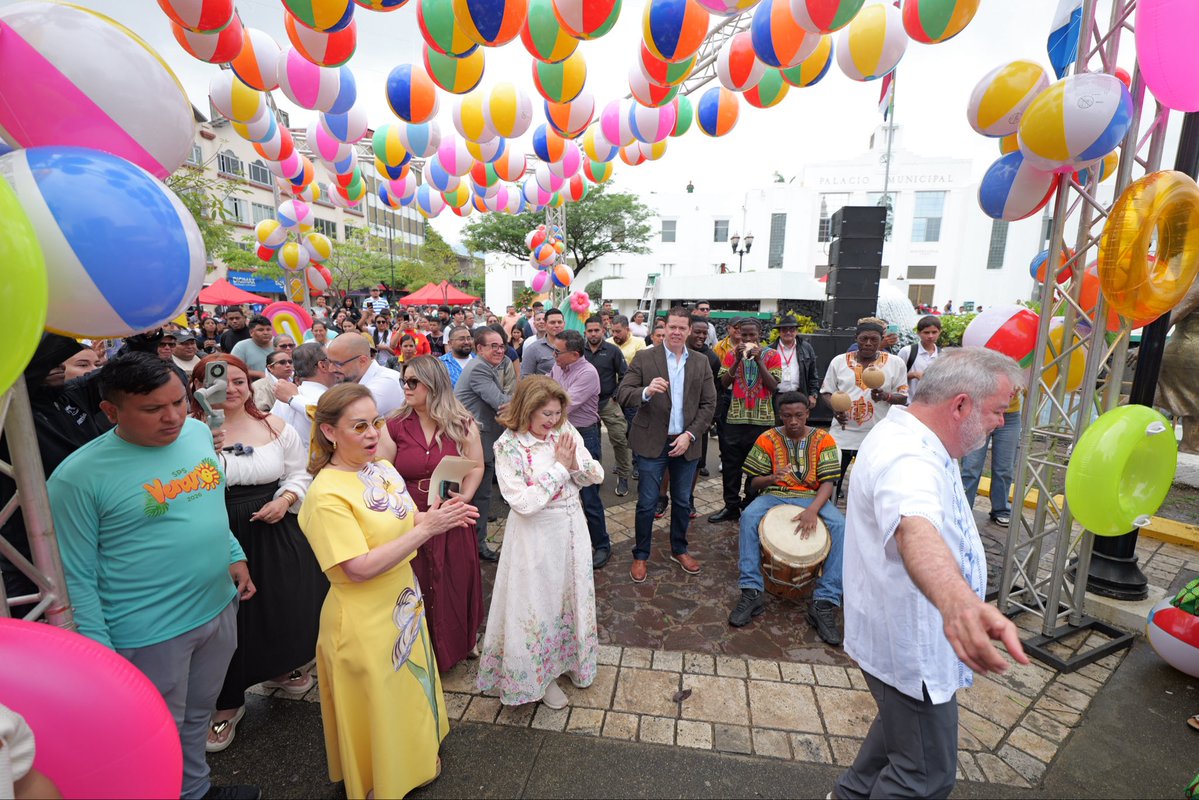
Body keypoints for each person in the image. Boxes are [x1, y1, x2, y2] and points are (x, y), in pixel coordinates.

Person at [49, 353, 258, 800]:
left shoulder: (199, 432)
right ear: (111, 411)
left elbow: (208, 500)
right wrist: (101, 657)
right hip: (146, 633)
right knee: (150, 731)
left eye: (179, 401)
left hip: (217, 606)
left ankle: (195, 790)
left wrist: (233, 552)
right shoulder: (77, 478)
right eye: (152, 409)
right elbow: (76, 575)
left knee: (198, 715)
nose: (173, 417)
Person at [835, 348, 1029, 800]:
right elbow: (913, 527)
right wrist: (959, 603)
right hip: (914, 647)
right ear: (960, 405)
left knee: (897, 738)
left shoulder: (922, 437)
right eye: (998, 411)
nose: (1002, 423)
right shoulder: (908, 456)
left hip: (904, 639)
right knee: (923, 777)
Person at [299, 383, 478, 799]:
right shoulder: (326, 495)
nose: (372, 434)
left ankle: (416, 759)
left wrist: (438, 516)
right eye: (358, 426)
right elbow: (357, 569)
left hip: (404, 603)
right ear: (328, 432)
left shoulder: (380, 467)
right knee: (380, 703)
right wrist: (428, 531)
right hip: (363, 619)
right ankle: (383, 778)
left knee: (407, 691)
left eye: (376, 422)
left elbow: (408, 517)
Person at [188, 355, 324, 753]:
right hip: (214, 530)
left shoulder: (274, 426)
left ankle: (279, 667)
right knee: (224, 618)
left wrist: (285, 500)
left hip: (273, 523)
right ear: (198, 386)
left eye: (238, 381)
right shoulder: (187, 433)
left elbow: (299, 472)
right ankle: (226, 702)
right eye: (217, 381)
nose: (230, 389)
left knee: (280, 602)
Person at [476, 377, 603, 709]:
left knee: (569, 597)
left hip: (572, 529)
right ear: (527, 410)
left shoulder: (565, 431)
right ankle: (539, 677)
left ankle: (572, 662)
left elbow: (595, 475)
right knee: (538, 604)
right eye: (546, 413)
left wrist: (576, 464)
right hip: (534, 536)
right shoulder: (508, 446)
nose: (552, 421)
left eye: (557, 413)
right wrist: (561, 469)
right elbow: (525, 503)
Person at [377, 356, 485, 672]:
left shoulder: (461, 421)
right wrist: (403, 511)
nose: (406, 388)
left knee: (454, 579)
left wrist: (464, 496)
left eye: (413, 382)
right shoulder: (394, 424)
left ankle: (459, 641)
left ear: (433, 383)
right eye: (403, 382)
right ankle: (417, 647)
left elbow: (477, 465)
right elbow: (382, 473)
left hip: (451, 513)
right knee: (416, 580)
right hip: (408, 516)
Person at [727, 394, 846, 645]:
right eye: (788, 416)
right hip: (775, 494)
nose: (793, 421)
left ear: (808, 414)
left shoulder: (823, 438)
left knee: (840, 525)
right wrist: (770, 478)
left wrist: (813, 509)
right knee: (748, 516)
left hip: (812, 496)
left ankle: (824, 600)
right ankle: (752, 590)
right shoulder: (768, 438)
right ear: (780, 416)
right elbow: (752, 483)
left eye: (799, 415)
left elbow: (828, 483)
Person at [616, 308, 716, 582]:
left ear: (688, 331)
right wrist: (646, 391)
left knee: (683, 502)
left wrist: (690, 435)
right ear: (663, 327)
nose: (676, 332)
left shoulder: (700, 362)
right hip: (651, 442)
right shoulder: (646, 357)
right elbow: (623, 393)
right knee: (647, 503)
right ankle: (641, 555)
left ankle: (679, 549)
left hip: (686, 442)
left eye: (682, 328)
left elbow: (709, 404)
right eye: (672, 326)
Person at [820, 318, 909, 503]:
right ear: (856, 339)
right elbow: (826, 392)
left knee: (870, 487)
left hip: (876, 436)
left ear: (881, 339)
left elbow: (904, 396)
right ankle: (830, 523)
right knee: (831, 484)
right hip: (842, 435)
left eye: (874, 339)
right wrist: (836, 408)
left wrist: (886, 396)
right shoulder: (839, 362)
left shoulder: (895, 363)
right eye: (863, 339)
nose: (868, 343)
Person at [710, 318, 782, 523]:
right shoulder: (733, 354)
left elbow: (774, 386)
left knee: (757, 466)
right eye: (744, 335)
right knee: (731, 465)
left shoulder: (771, 355)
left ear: (760, 334)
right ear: (738, 334)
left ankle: (750, 504)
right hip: (734, 418)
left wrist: (759, 360)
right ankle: (731, 506)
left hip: (762, 421)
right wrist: (738, 360)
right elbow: (723, 384)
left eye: (752, 335)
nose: (748, 338)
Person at [551, 329, 611, 570]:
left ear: (574, 354)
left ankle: (602, 544)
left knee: (589, 494)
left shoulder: (588, 373)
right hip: (559, 434)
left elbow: (563, 406)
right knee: (563, 492)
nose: (553, 354)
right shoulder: (557, 366)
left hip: (584, 436)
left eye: (558, 351)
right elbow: (547, 391)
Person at [454, 327, 509, 563]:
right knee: (480, 496)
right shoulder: (479, 369)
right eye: (493, 346)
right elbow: (500, 403)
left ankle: (472, 543)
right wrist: (530, 399)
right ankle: (476, 546)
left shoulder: (486, 367)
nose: (499, 350)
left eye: (501, 346)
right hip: (477, 442)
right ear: (479, 348)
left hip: (479, 438)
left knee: (477, 495)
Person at [959, 389, 1023, 527]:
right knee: (971, 467)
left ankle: (1001, 509)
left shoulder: (1023, 366)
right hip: (981, 411)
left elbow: (1033, 385)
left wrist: (1023, 386)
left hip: (1010, 416)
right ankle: (962, 508)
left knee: (1005, 467)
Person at [583, 316, 631, 498]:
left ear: (603, 330)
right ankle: (596, 475)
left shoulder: (612, 351)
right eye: (590, 331)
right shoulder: (580, 351)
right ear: (585, 332)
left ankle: (623, 475)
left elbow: (625, 375)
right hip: (586, 406)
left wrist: (617, 394)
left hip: (608, 403)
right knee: (591, 443)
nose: (594, 334)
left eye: (597, 330)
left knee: (619, 438)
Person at [326, 332, 405, 415]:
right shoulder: (352, 378)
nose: (330, 369)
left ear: (362, 361)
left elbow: (342, 417)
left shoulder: (385, 383)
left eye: (338, 364)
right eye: (329, 362)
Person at [772, 314, 820, 407]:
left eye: (792, 329)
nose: (788, 332)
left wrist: (813, 394)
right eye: (784, 329)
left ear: (796, 331)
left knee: (797, 421)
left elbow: (813, 374)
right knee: (777, 421)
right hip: (777, 396)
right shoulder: (771, 349)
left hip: (799, 395)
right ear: (779, 332)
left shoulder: (806, 348)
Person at [897, 315, 943, 400]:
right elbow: (895, 377)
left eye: (934, 332)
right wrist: (914, 374)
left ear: (939, 332)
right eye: (926, 332)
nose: (930, 336)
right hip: (909, 403)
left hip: (933, 404)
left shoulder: (942, 355)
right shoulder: (907, 352)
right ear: (918, 333)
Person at [521, 307, 564, 376]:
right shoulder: (533, 349)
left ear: (564, 324)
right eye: (552, 322)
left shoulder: (572, 346)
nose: (557, 325)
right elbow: (525, 377)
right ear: (546, 324)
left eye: (559, 322)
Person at [230, 315, 274, 380]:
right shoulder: (241, 347)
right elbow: (233, 369)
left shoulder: (278, 345)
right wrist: (259, 374)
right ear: (251, 332)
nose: (265, 333)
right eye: (260, 330)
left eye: (268, 329)